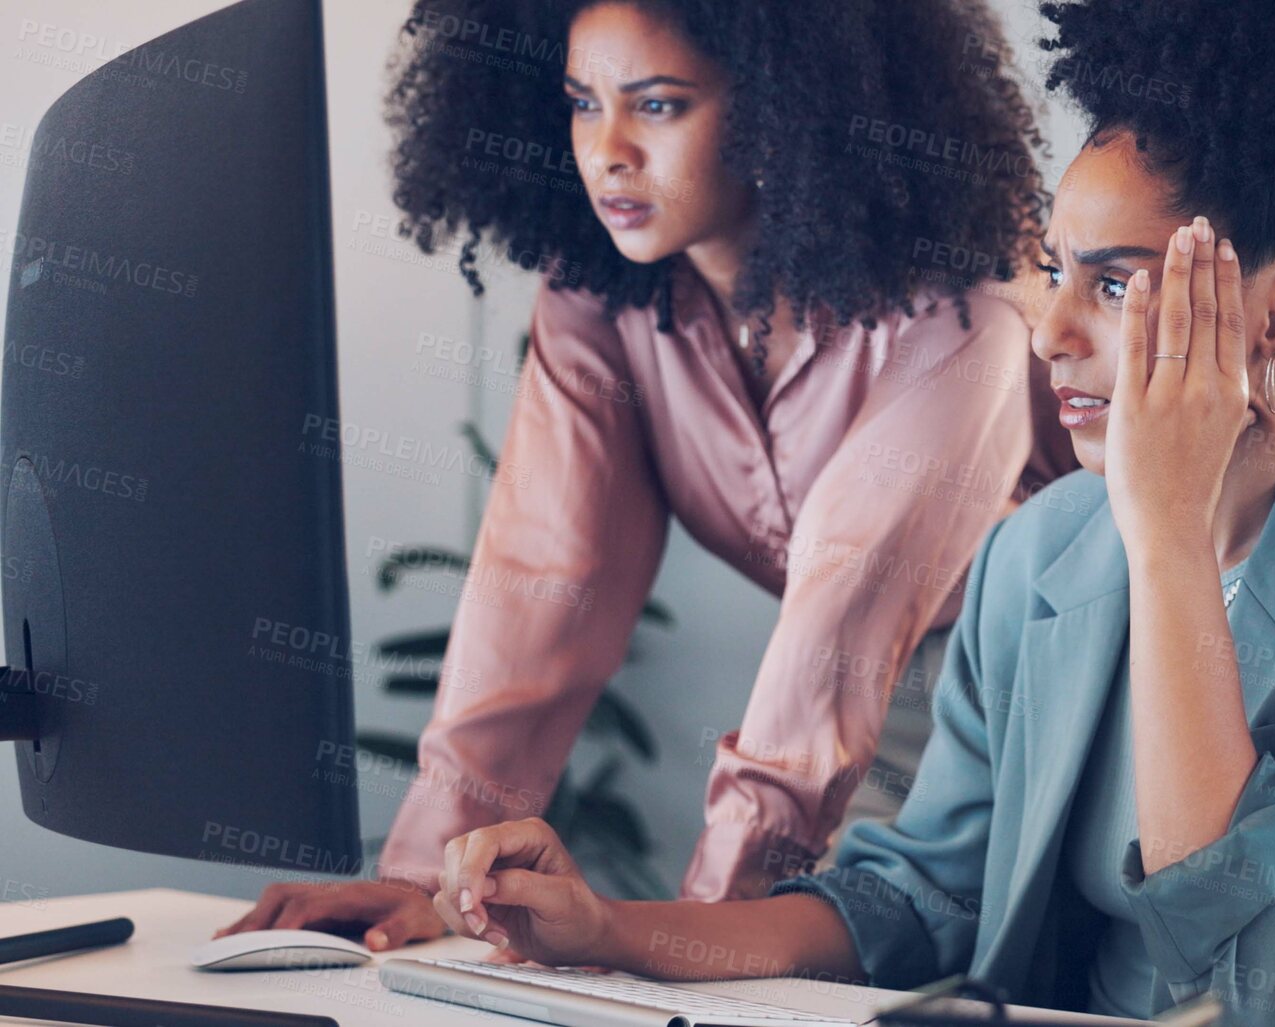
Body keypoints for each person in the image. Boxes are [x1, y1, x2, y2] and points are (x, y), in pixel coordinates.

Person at [417, 1, 1275, 1023]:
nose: (1052, 329)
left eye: (1112, 284)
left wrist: (1167, 543)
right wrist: (610, 934)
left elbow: (1273, 980)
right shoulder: (1040, 552)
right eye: (1058, 273)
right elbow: (914, 896)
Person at [216, 0, 1074, 950]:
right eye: (582, 103)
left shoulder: (957, 300)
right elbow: (543, 584)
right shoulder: (603, 293)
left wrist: (691, 942)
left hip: (1032, 700)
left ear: (786, 105)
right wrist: (433, 881)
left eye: (658, 106)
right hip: (825, 698)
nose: (606, 150)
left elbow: (845, 610)